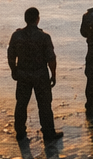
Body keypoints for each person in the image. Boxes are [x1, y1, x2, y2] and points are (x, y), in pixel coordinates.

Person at [7, 7, 61, 143]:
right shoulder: (44, 37)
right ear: (38, 19)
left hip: (23, 74)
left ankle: (20, 132)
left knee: (21, 104)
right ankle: (48, 133)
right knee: (44, 105)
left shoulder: (17, 36)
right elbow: (51, 59)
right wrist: (53, 75)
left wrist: (13, 70)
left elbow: (11, 55)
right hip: (40, 75)